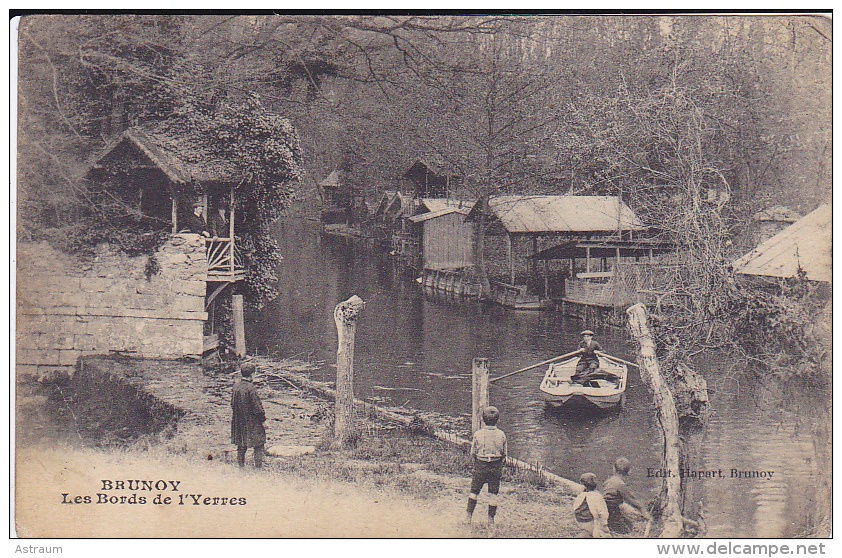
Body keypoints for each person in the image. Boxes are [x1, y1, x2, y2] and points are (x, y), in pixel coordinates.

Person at [466, 406, 507, 536]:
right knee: (493, 494)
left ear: (483, 420)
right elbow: (504, 454)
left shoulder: (478, 434)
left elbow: (473, 453)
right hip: (495, 466)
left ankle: (468, 517)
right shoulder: (501, 434)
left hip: (481, 465)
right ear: (498, 420)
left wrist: (477, 462)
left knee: (474, 492)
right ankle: (491, 520)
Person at [602, 457, 652, 534]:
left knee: (628, 523)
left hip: (604, 511)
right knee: (627, 530)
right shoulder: (620, 484)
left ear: (614, 469)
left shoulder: (608, 481)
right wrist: (645, 513)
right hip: (611, 514)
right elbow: (633, 501)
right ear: (629, 472)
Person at [231, 362, 266, 469]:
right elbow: (258, 408)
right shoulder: (251, 388)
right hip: (252, 422)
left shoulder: (236, 387)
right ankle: (258, 469)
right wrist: (263, 420)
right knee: (259, 444)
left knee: (241, 445)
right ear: (252, 374)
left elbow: (232, 404)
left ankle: (241, 468)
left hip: (239, 421)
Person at [572, 473, 610, 538]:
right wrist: (604, 525)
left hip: (579, 522)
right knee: (606, 534)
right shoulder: (597, 496)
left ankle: (586, 531)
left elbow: (575, 508)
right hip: (590, 523)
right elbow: (603, 512)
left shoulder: (580, 495)